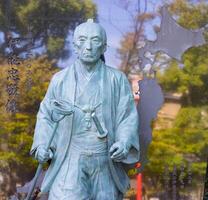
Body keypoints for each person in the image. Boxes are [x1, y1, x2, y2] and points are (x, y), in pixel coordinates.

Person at [30, 19, 139, 200]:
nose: (88, 46)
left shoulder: (117, 79)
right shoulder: (60, 79)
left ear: (104, 47)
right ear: (74, 46)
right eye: (82, 40)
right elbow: (46, 116)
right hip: (69, 158)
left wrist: (124, 142)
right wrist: (42, 145)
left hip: (104, 159)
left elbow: (127, 116)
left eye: (95, 40)